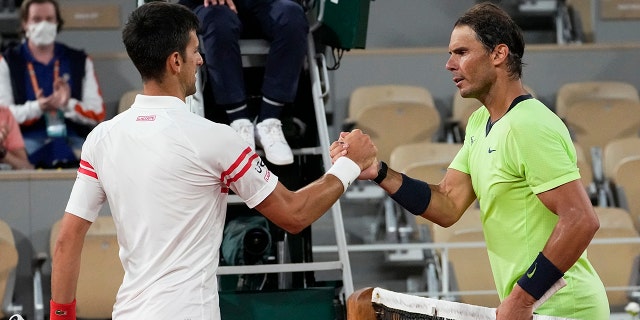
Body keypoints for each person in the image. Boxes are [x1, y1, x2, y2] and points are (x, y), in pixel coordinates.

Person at [49, 2, 375, 319]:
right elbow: (294, 214)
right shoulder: (215, 138)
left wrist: (61, 317)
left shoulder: (102, 138)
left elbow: (67, 240)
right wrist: (350, 165)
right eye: (195, 50)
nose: (201, 60)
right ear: (176, 62)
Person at [331, 3, 609, 319]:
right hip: (534, 308)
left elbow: (581, 219)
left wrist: (521, 300)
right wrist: (378, 171)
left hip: (567, 310)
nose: (449, 64)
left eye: (461, 52)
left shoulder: (530, 124)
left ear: (498, 54)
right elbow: (447, 204)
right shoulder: (479, 122)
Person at [178, 0, 309, 166]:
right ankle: (239, 121)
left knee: (292, 17)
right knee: (218, 23)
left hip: (266, 5)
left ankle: (269, 120)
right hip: (211, 7)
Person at [0, 0, 106, 169]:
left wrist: (66, 104)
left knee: (99, 160)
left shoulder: (79, 60)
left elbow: (98, 113)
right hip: (26, 142)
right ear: (24, 24)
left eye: (49, 19)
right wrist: (38, 107)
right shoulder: (8, 61)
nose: (44, 24)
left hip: (73, 139)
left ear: (57, 23)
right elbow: (3, 115)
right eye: (36, 19)